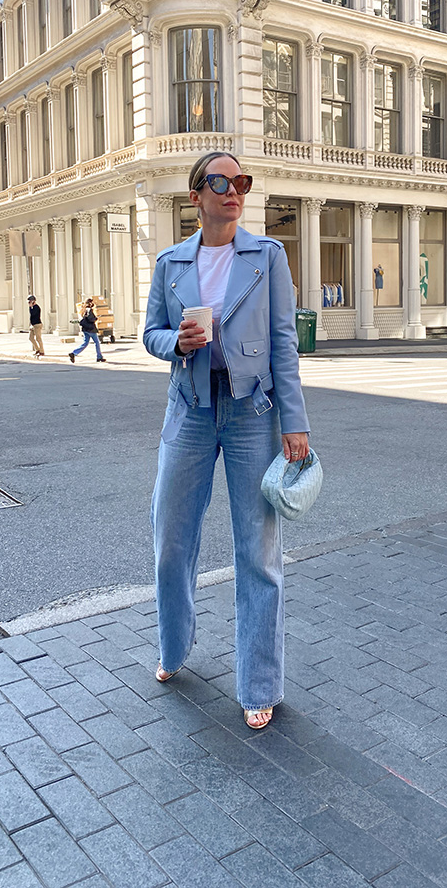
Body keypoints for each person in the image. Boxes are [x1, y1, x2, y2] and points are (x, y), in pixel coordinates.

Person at [143, 151, 310, 731]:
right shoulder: (170, 263)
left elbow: (284, 345)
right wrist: (177, 344)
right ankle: (173, 647)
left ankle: (258, 682)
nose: (234, 191)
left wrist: (296, 423)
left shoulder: (268, 257)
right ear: (197, 196)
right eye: (222, 182)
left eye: (241, 182)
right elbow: (150, 335)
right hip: (189, 408)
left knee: (258, 552)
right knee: (170, 537)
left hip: (251, 413)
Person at [69, 299, 106, 363]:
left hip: (85, 329)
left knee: (85, 343)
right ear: (90, 303)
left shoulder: (83, 310)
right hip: (90, 329)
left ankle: (74, 353)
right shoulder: (89, 310)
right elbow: (90, 318)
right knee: (97, 343)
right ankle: (99, 357)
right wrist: (96, 318)